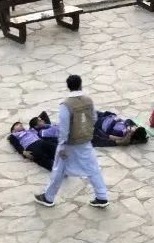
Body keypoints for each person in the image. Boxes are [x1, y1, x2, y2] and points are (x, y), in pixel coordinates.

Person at [34, 75, 109, 208]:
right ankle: (102, 196)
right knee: (93, 168)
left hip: (69, 144)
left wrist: (62, 146)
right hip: (85, 140)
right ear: (80, 84)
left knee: (58, 170)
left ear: (68, 87)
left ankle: (48, 197)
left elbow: (64, 128)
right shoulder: (89, 101)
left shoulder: (66, 105)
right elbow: (94, 118)